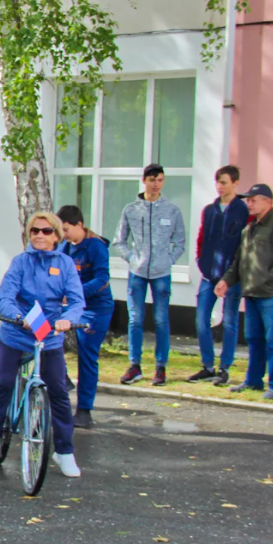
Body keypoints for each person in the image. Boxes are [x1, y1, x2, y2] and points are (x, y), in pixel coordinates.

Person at [0, 212, 86, 477]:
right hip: (16, 333)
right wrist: (18, 317)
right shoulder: (20, 262)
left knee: (59, 392)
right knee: (3, 382)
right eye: (35, 231)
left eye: (47, 231)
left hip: (48, 335)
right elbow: (5, 295)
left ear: (56, 235)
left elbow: (76, 301)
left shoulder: (65, 264)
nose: (40, 235)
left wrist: (68, 319)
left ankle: (64, 452)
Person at [216, 184, 273, 399]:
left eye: (253, 200)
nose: (249, 204)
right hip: (251, 293)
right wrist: (226, 280)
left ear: (267, 201)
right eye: (248, 200)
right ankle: (253, 381)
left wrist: (267, 277)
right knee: (254, 339)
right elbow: (239, 261)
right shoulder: (249, 229)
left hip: (271, 294)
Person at [113, 163, 186, 386]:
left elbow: (180, 242)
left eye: (160, 180)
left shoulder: (172, 210)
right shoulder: (131, 209)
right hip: (137, 273)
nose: (156, 185)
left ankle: (160, 367)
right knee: (135, 319)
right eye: (152, 180)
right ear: (144, 180)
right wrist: (132, 259)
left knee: (161, 320)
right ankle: (134, 365)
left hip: (161, 274)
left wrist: (168, 260)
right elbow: (119, 241)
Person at [190, 166, 250, 385]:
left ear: (235, 183)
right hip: (209, 275)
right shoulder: (209, 210)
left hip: (233, 277)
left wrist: (232, 275)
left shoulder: (243, 211)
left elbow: (243, 246)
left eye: (224, 182)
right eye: (217, 182)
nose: (219, 186)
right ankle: (207, 366)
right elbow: (201, 238)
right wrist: (200, 261)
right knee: (201, 320)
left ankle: (224, 368)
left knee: (230, 321)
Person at [57, 205, 113, 428]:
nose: (64, 234)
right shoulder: (65, 246)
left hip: (95, 309)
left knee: (87, 357)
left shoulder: (96, 247)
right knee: (44, 337)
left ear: (80, 225)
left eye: (67, 229)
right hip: (71, 305)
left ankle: (84, 411)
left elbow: (102, 280)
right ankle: (63, 379)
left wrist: (75, 294)